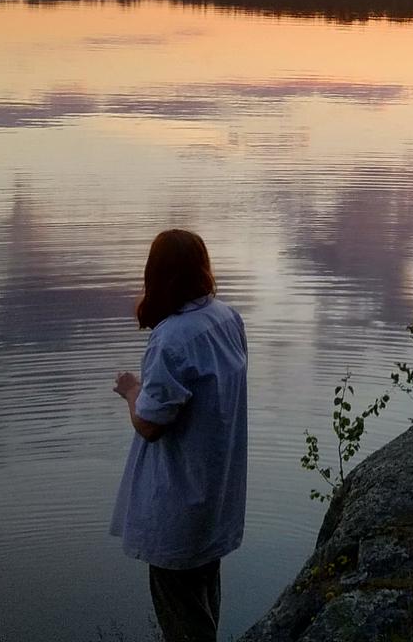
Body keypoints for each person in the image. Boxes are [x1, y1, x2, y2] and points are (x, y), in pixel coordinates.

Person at [111, 229, 249, 642]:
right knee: (203, 608)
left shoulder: (171, 338)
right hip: (216, 497)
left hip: (179, 509)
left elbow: (150, 425)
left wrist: (131, 391)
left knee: (185, 625)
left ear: (156, 274)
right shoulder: (227, 318)